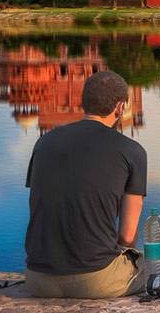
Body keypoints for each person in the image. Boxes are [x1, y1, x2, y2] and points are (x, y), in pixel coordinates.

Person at [25, 70, 147, 298]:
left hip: (36, 279)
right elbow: (127, 236)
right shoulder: (131, 151)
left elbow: (41, 206)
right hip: (95, 279)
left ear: (83, 104)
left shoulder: (43, 143)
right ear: (120, 108)